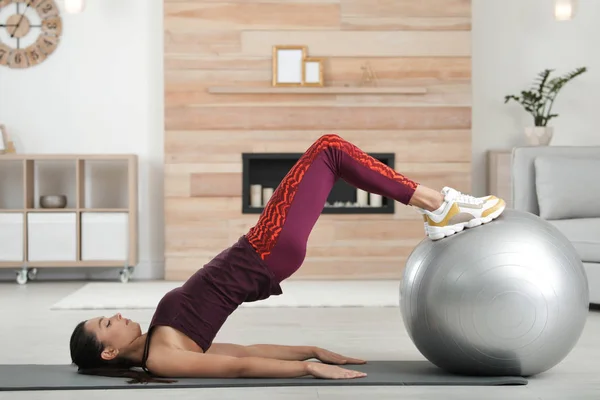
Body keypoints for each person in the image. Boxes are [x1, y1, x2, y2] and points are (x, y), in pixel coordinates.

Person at [69, 134, 505, 383]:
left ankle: (438, 207)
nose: (118, 315)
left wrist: (311, 349)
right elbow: (238, 367)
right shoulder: (162, 358)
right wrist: (308, 370)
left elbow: (244, 349)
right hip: (264, 251)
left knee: (330, 152)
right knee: (330, 149)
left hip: (261, 246)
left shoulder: (160, 343)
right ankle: (438, 204)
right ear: (108, 354)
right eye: (107, 323)